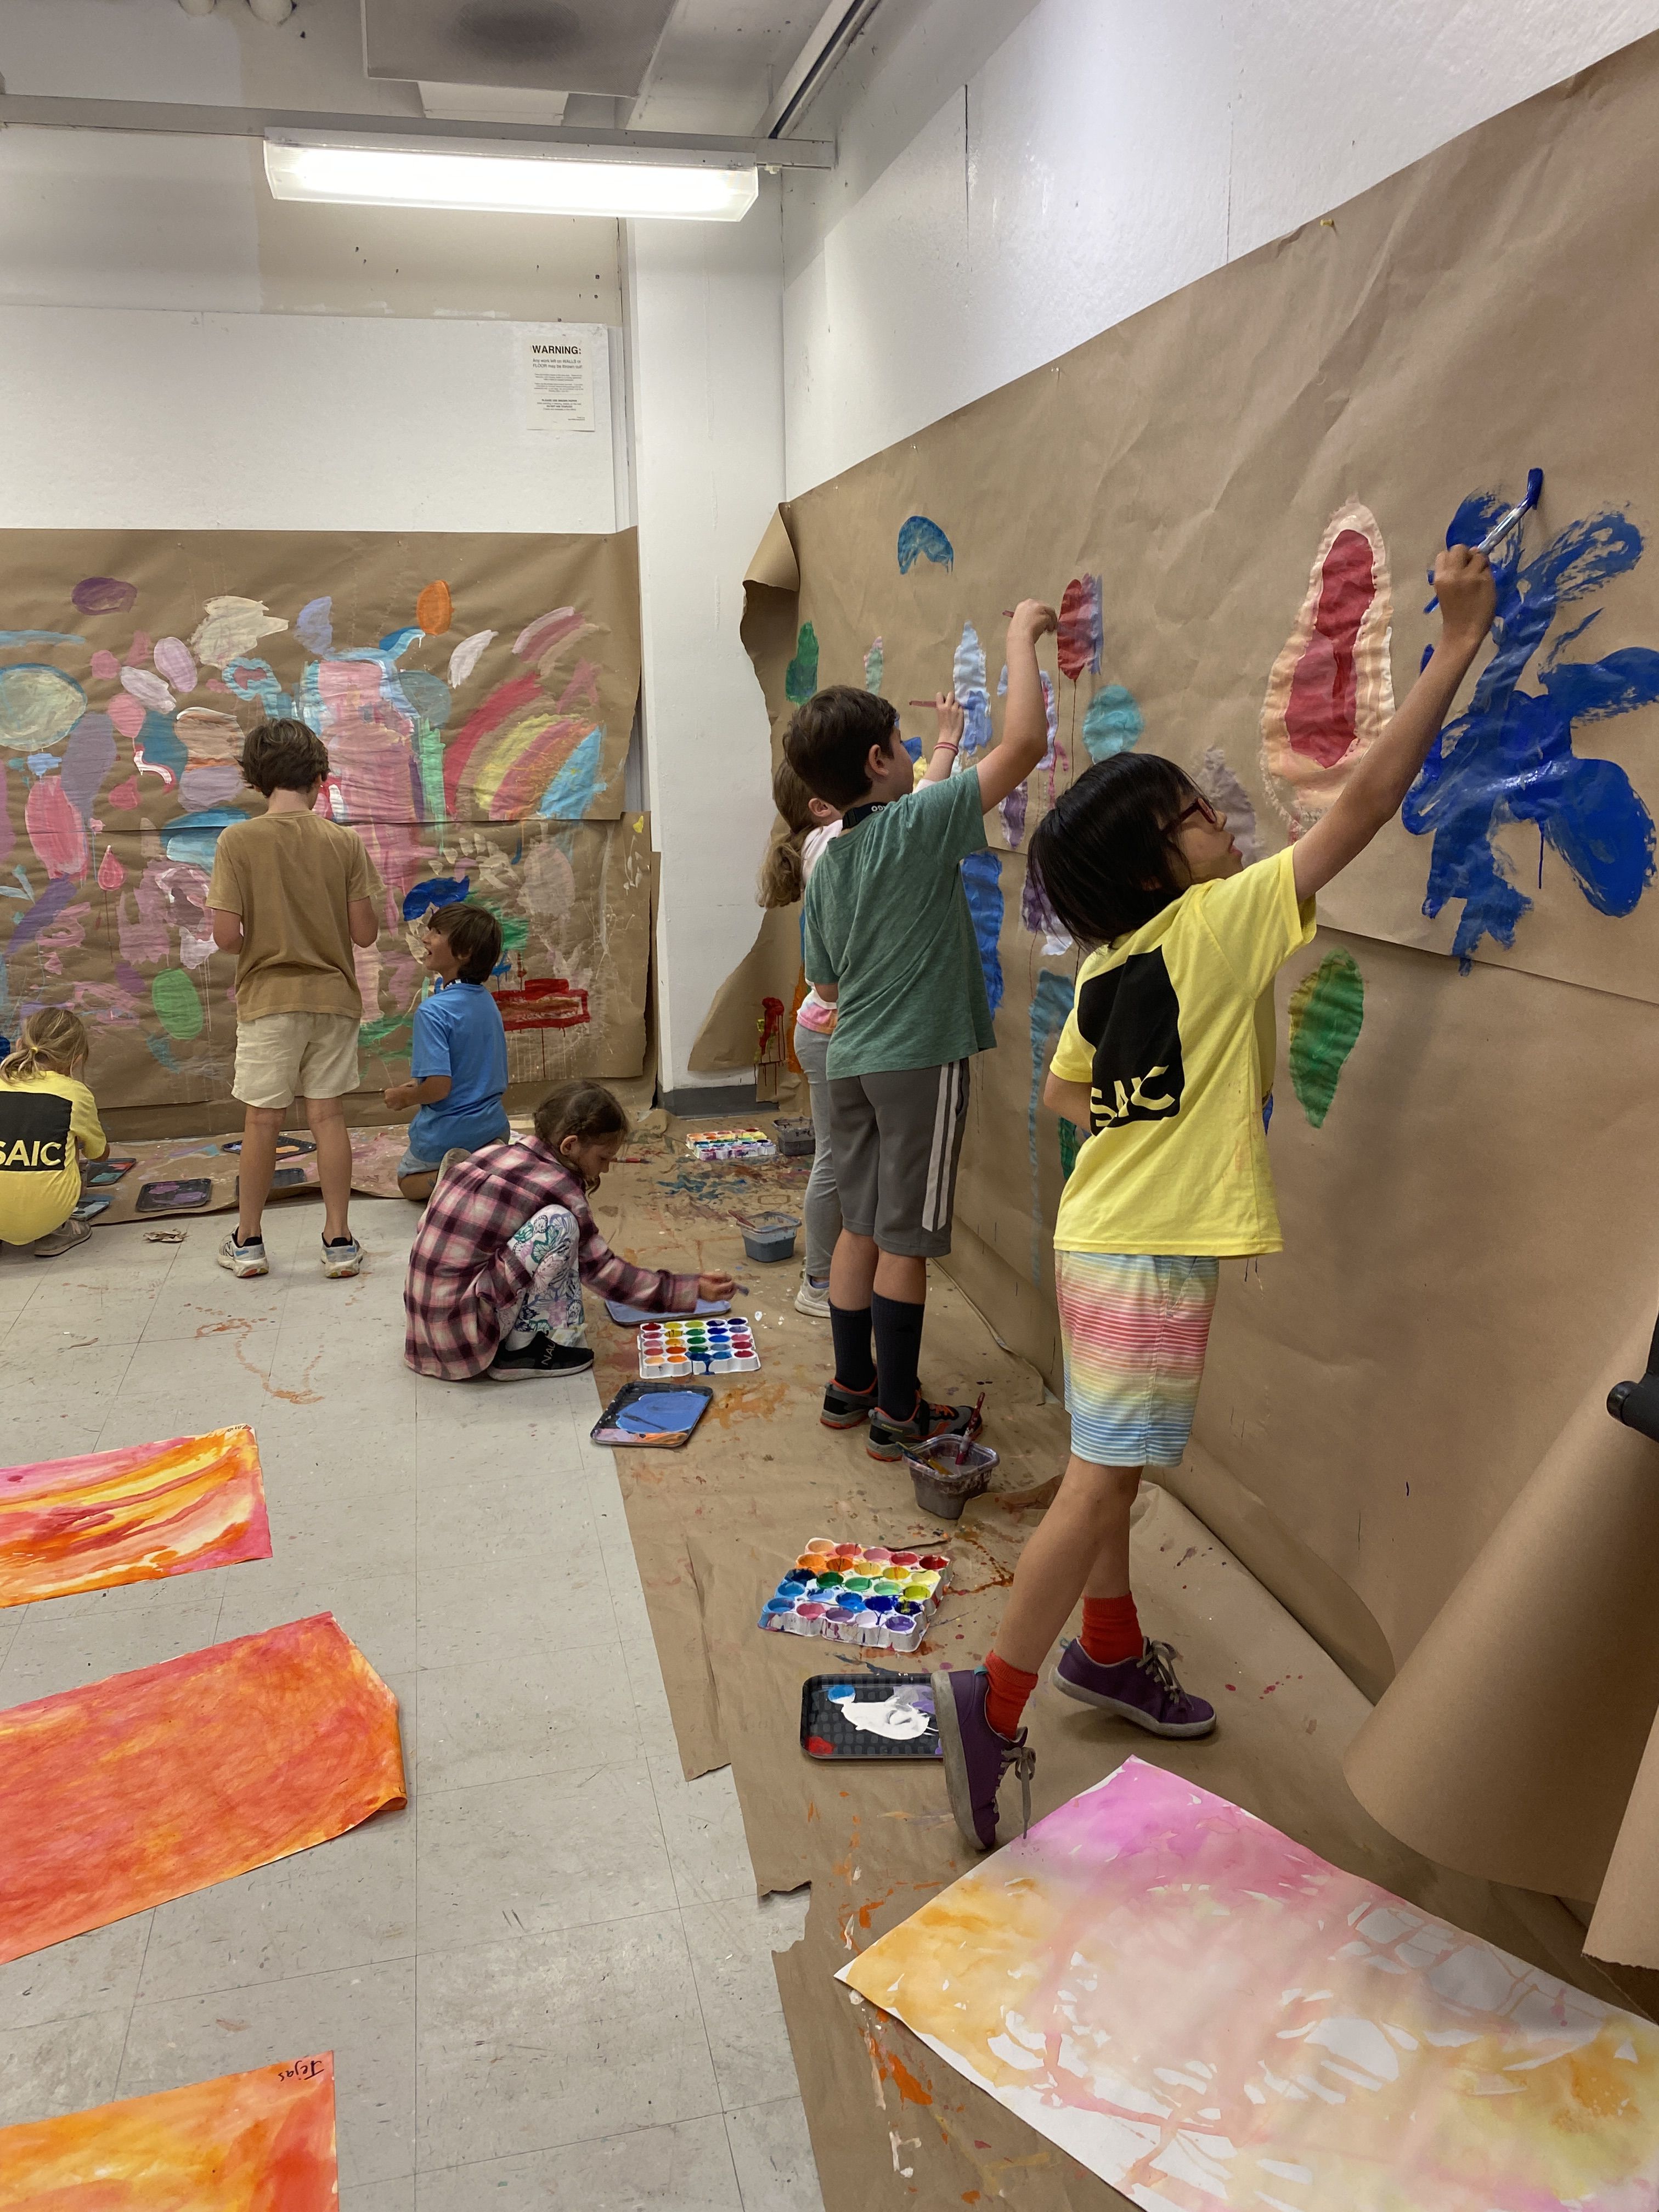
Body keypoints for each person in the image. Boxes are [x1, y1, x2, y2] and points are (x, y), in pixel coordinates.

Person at [930, 543, 1498, 1850]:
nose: (1215, 820)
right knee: (1099, 1481)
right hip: (1143, 1254)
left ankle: (1109, 1654)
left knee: (1113, 1471)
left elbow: (1069, 1096)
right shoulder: (1219, 921)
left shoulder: (1113, 961)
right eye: (1189, 812)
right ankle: (993, 1702)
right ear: (1151, 865)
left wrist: (1176, 1118)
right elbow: (1358, 807)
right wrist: (1456, 646)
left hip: (1104, 1238)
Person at [788, 605, 1056, 1462]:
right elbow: (1023, 749)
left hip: (854, 1059)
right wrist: (1021, 634)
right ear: (879, 759)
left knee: (862, 1227)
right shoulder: (925, 819)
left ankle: (851, 1387)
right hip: (919, 1060)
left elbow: (824, 982)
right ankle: (900, 1415)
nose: (916, 756)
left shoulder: (829, 853)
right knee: (907, 1240)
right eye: (905, 744)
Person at [762, 719, 962, 1321]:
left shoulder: (824, 846)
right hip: (850, 1033)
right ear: (824, 804)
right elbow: (925, 810)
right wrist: (946, 745)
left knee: (850, 1183)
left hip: (831, 1029)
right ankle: (818, 1282)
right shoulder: (844, 845)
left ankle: (829, 1287)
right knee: (850, 1182)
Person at [404, 1077, 736, 1382]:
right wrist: (688, 1290)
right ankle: (519, 1353)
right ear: (570, 1146)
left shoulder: (495, 1151)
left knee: (548, 1237)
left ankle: (513, 1338)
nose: (605, 1169)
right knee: (560, 1225)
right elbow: (603, 1273)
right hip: (465, 1341)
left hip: (427, 1332)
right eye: (604, 1157)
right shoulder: (558, 1185)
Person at [207, 717, 381, 1281]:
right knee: (328, 1117)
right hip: (334, 998)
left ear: (255, 780)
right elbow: (365, 934)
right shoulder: (344, 841)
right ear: (320, 779)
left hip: (268, 1001)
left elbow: (227, 937)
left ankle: (249, 1241)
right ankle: (338, 1241)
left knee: (262, 1121)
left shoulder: (237, 841)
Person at [383, 902, 510, 1203]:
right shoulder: (486, 1002)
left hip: (450, 1135)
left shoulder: (433, 1011)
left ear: (464, 953)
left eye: (437, 932)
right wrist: (418, 1086)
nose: (426, 938)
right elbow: (470, 1070)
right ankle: (487, 1163)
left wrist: (406, 1097)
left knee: (406, 1183)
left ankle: (459, 1174)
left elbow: (440, 1088)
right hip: (494, 1128)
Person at [0, 1008, 109, 1257]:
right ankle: (56, 1232)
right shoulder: (74, 1093)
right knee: (71, 1145)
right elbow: (99, 1155)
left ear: (19, 1044)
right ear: (77, 1059)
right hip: (46, 1216)